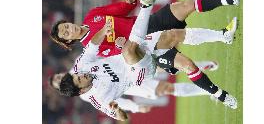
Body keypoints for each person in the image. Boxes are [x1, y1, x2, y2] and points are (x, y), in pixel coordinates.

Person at [57, 0, 237, 120]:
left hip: (139, 48)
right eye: (81, 80)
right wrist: (117, 110)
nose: (82, 75)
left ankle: (223, 45)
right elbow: (122, 117)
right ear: (81, 91)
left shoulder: (82, 65)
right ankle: (146, 7)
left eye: (78, 75)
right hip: (140, 73)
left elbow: (93, 45)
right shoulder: (99, 99)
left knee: (175, 37)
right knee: (128, 50)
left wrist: (104, 30)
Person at [50, 0, 239, 74]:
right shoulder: (91, 48)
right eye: (65, 33)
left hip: (146, 23)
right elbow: (119, 55)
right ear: (68, 40)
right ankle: (223, 37)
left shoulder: (92, 16)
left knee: (183, 6)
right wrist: (119, 44)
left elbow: (120, 9)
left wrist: (130, 2)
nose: (69, 29)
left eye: (66, 26)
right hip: (144, 45)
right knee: (183, 57)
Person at [50, 61, 218, 114]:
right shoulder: (84, 94)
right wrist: (135, 107)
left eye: (58, 76)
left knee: (165, 66)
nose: (60, 78)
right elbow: (112, 102)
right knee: (166, 88)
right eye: (59, 82)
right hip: (131, 85)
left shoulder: (79, 66)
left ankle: (202, 66)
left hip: (126, 65)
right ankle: (207, 90)